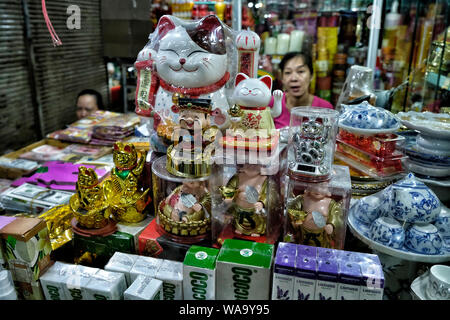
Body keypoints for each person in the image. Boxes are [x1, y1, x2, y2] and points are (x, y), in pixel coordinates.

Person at [268, 51, 334, 129]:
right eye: (288, 72)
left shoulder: (325, 109)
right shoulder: (272, 103)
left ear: (311, 75)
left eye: (301, 71)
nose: (294, 78)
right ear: (282, 78)